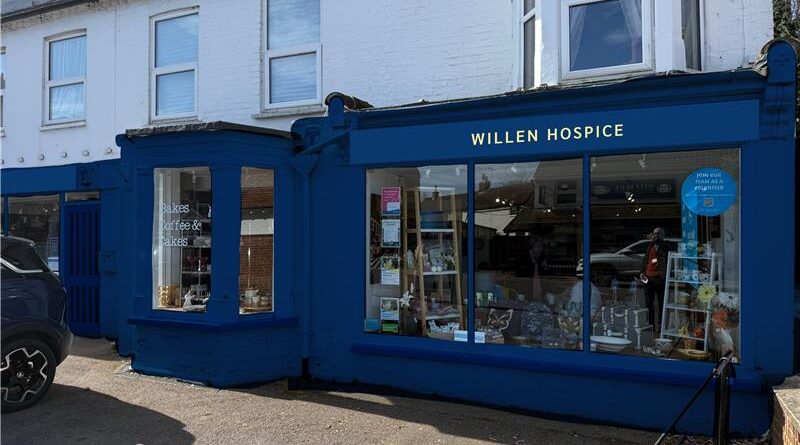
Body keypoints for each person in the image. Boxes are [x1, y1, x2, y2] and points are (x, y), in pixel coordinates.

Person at [640, 227, 668, 329]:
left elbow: (661, 258)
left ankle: (661, 325)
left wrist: (656, 241)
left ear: (662, 235)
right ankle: (650, 324)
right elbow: (646, 260)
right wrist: (642, 272)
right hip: (648, 278)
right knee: (649, 303)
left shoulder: (665, 245)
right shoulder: (651, 245)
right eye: (654, 233)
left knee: (661, 304)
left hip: (659, 279)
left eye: (657, 233)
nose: (655, 235)